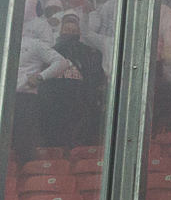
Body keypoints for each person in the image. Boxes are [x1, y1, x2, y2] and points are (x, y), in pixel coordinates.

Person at [39, 13, 105, 149]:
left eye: (73, 31)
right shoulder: (48, 52)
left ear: (79, 32)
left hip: (81, 107)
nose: (70, 34)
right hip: (54, 108)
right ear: (61, 31)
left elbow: (97, 81)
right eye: (67, 30)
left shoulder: (91, 54)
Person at [12, 34, 69, 164]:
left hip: (25, 96)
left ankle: (26, 175)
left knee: (24, 141)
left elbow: (61, 62)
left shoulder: (34, 43)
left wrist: (40, 77)